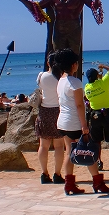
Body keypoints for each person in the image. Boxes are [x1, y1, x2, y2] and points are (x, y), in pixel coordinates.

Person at [54, 48, 109, 195]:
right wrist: (84, 125)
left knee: (69, 152)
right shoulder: (75, 82)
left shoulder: (61, 81)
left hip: (63, 121)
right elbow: (79, 105)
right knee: (88, 151)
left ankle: (69, 184)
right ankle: (98, 182)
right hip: (74, 122)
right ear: (73, 65)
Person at [10, 0, 103, 55]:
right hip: (59, 28)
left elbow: (93, 6)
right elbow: (36, 6)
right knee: (58, 56)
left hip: (74, 27)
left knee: (74, 56)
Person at [84, 64, 109, 170]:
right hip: (107, 114)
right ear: (97, 76)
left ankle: (99, 162)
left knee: (96, 141)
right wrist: (102, 66)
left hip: (95, 115)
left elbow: (87, 98)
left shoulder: (87, 88)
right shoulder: (104, 83)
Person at [35, 51, 65, 185]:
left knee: (43, 145)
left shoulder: (41, 76)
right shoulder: (61, 77)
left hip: (44, 111)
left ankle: (44, 173)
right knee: (59, 146)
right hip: (58, 111)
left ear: (48, 63)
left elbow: (40, 88)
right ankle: (57, 174)